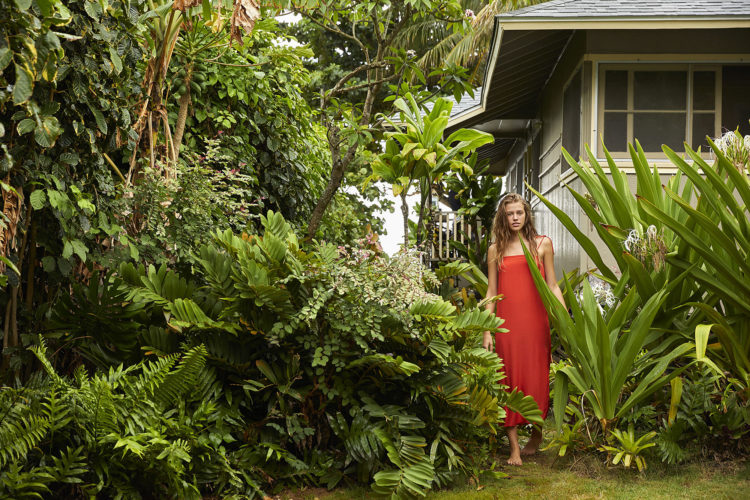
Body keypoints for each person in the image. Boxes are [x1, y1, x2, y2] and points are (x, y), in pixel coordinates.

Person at [482, 193, 565, 466]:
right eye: (510, 214)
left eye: (519, 212)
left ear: (526, 215)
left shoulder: (542, 245)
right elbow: (492, 291)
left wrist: (564, 319)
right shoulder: (496, 250)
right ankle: (514, 449)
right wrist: (487, 330)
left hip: (535, 325)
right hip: (507, 327)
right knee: (509, 381)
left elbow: (552, 285)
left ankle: (537, 435)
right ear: (503, 218)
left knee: (537, 380)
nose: (515, 218)